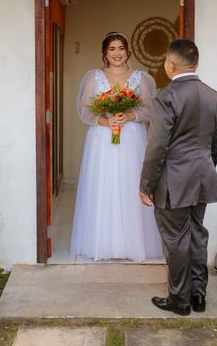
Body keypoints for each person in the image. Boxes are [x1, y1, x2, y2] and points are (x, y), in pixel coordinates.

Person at [139, 39, 217, 316]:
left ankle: (179, 301)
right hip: (202, 176)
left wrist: (146, 185)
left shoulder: (166, 97)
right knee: (197, 235)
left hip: (173, 180)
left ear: (170, 64)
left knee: (176, 240)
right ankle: (199, 296)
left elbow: (157, 147)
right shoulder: (214, 96)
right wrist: (205, 168)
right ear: (195, 64)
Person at [70, 32, 163, 261]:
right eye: (112, 49)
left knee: (131, 183)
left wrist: (129, 115)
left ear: (128, 51)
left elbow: (150, 109)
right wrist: (106, 121)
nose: (117, 53)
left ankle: (132, 244)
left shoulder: (140, 78)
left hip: (132, 137)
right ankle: (102, 243)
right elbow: (84, 109)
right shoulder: (94, 77)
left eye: (121, 48)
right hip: (102, 139)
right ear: (104, 53)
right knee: (104, 184)